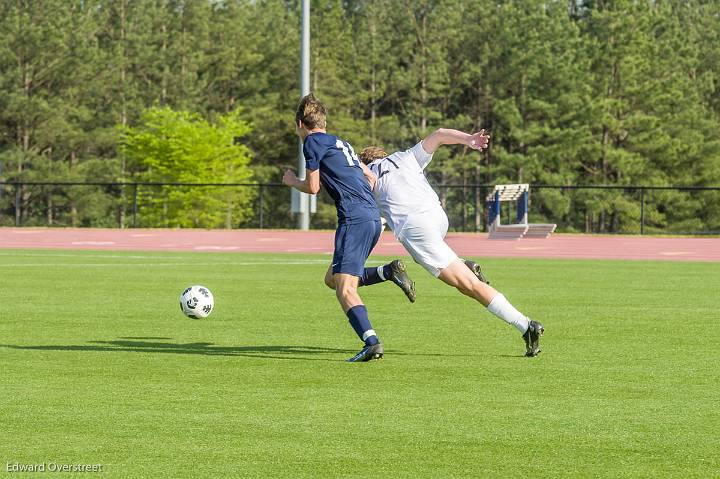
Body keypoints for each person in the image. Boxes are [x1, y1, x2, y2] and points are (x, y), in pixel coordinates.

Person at [359, 128, 544, 356]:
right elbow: (438, 134)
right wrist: (469, 140)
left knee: (470, 286)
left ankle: (526, 326)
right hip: (437, 217)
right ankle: (462, 263)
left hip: (415, 227)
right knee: (442, 271)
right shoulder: (404, 156)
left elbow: (366, 204)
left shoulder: (367, 175)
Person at [282, 93, 415, 362]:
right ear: (324, 121)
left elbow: (313, 187)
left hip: (353, 219)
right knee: (332, 279)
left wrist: (292, 181)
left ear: (300, 123)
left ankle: (372, 342)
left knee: (345, 289)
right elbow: (369, 175)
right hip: (371, 218)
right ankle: (387, 271)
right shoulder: (342, 143)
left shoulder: (312, 143)